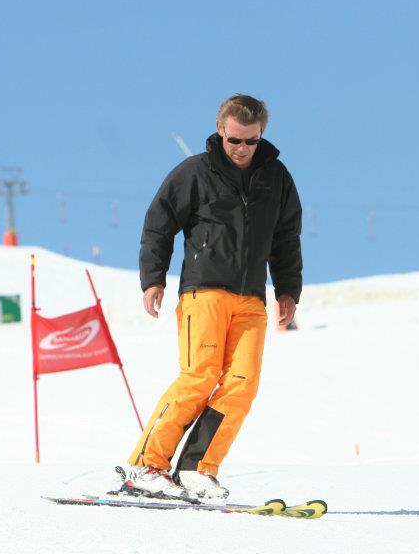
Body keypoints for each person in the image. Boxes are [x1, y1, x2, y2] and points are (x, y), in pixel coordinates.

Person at [125, 94, 302, 502]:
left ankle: (196, 469)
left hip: (251, 299)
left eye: (251, 141)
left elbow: (286, 238)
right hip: (203, 292)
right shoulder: (195, 172)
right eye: (234, 140)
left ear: (262, 135)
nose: (242, 148)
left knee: (242, 385)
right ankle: (146, 466)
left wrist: (288, 289)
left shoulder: (276, 178)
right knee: (199, 377)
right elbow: (158, 223)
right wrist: (153, 279)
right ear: (220, 130)